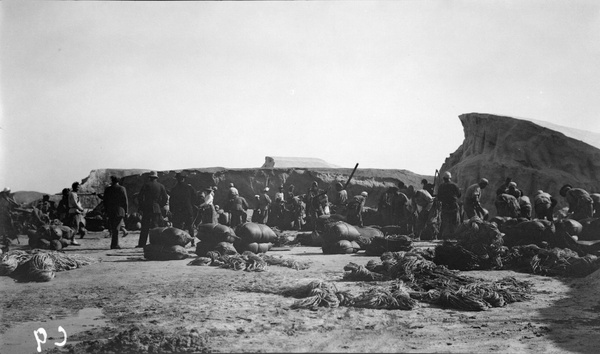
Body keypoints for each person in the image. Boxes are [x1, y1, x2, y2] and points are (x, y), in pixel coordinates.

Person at [136, 171, 168, 248]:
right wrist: (159, 205)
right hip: (156, 208)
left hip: (147, 208)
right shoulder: (161, 186)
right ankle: (156, 243)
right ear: (156, 178)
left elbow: (140, 197)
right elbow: (165, 198)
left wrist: (142, 206)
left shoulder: (145, 185)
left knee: (145, 227)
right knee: (156, 226)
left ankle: (142, 244)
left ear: (149, 178)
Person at [169, 172, 197, 246]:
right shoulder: (189, 187)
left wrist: (172, 210)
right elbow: (195, 197)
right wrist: (191, 205)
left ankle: (180, 243)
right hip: (188, 209)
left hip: (178, 210)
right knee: (190, 226)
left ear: (177, 179)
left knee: (178, 227)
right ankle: (192, 242)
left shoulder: (174, 189)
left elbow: (171, 201)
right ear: (184, 179)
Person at [103, 176, 128, 249]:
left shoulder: (108, 189)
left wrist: (106, 210)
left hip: (110, 210)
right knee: (116, 228)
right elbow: (125, 201)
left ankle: (114, 243)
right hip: (120, 210)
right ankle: (115, 244)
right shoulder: (122, 188)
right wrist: (126, 211)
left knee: (114, 227)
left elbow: (105, 201)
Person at [436, 171, 462, 239]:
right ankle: (455, 237)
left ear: (444, 178)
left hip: (445, 206)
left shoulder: (441, 186)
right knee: (455, 222)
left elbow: (439, 197)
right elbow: (459, 195)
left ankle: (445, 237)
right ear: (450, 178)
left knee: (445, 222)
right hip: (453, 206)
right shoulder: (454, 185)